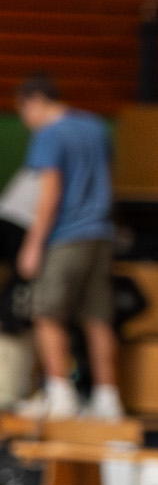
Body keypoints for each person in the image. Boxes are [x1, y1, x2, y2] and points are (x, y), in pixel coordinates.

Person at [12, 74, 120, 421]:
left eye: (23, 111)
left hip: (66, 236)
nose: (25, 121)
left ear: (34, 101)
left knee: (46, 314)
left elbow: (49, 196)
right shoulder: (95, 126)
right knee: (98, 317)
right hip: (101, 233)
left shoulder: (49, 135)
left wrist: (32, 246)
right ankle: (108, 399)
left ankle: (60, 395)